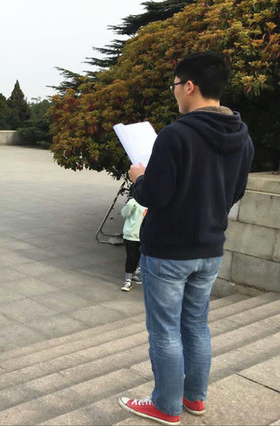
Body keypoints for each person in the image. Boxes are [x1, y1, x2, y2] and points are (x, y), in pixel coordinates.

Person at [118, 52, 255, 425]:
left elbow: (154, 195)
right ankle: (194, 398)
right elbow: (237, 191)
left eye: (175, 85)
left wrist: (139, 178)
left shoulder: (176, 134)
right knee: (195, 325)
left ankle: (165, 406)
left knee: (164, 331)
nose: (175, 92)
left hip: (168, 250)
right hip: (210, 248)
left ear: (189, 86)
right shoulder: (241, 135)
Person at [120, 194, 146, 292]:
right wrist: (130, 203)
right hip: (131, 235)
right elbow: (124, 213)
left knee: (138, 256)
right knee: (131, 257)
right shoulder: (133, 202)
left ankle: (133, 274)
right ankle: (128, 280)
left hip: (143, 235)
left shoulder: (150, 202)